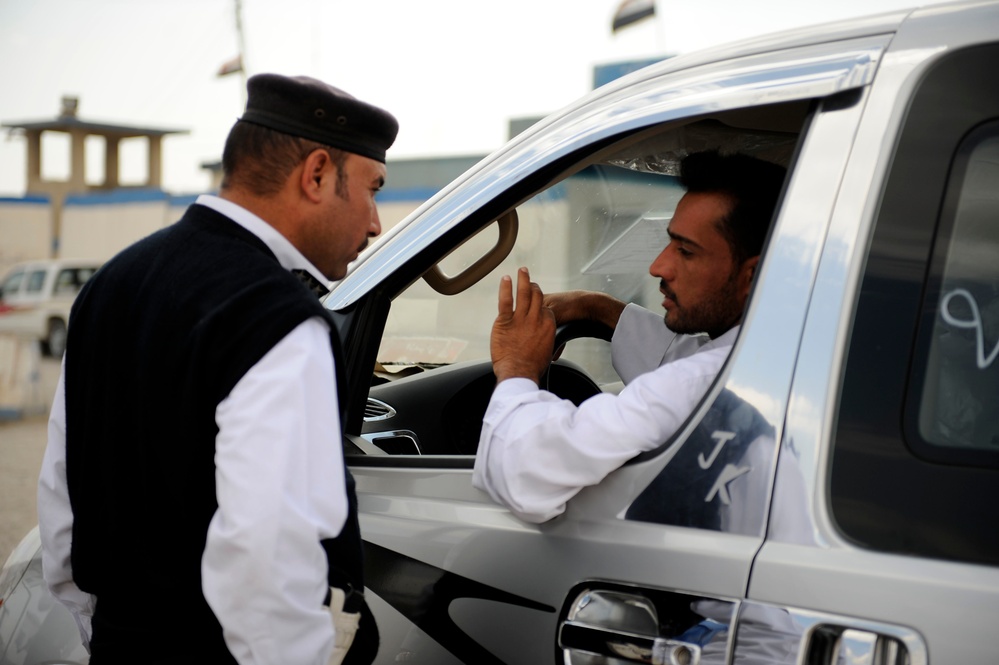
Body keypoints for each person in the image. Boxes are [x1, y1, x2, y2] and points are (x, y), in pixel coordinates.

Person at [36, 73, 398, 664]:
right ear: (316, 175)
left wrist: (109, 631)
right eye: (372, 188)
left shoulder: (109, 286)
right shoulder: (279, 321)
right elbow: (267, 565)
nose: (375, 222)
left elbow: (61, 508)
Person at [472, 150, 787, 524]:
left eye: (685, 251)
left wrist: (517, 367)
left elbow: (525, 474)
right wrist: (594, 307)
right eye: (669, 242)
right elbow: (686, 361)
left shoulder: (699, 387)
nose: (658, 266)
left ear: (752, 277)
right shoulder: (778, 360)